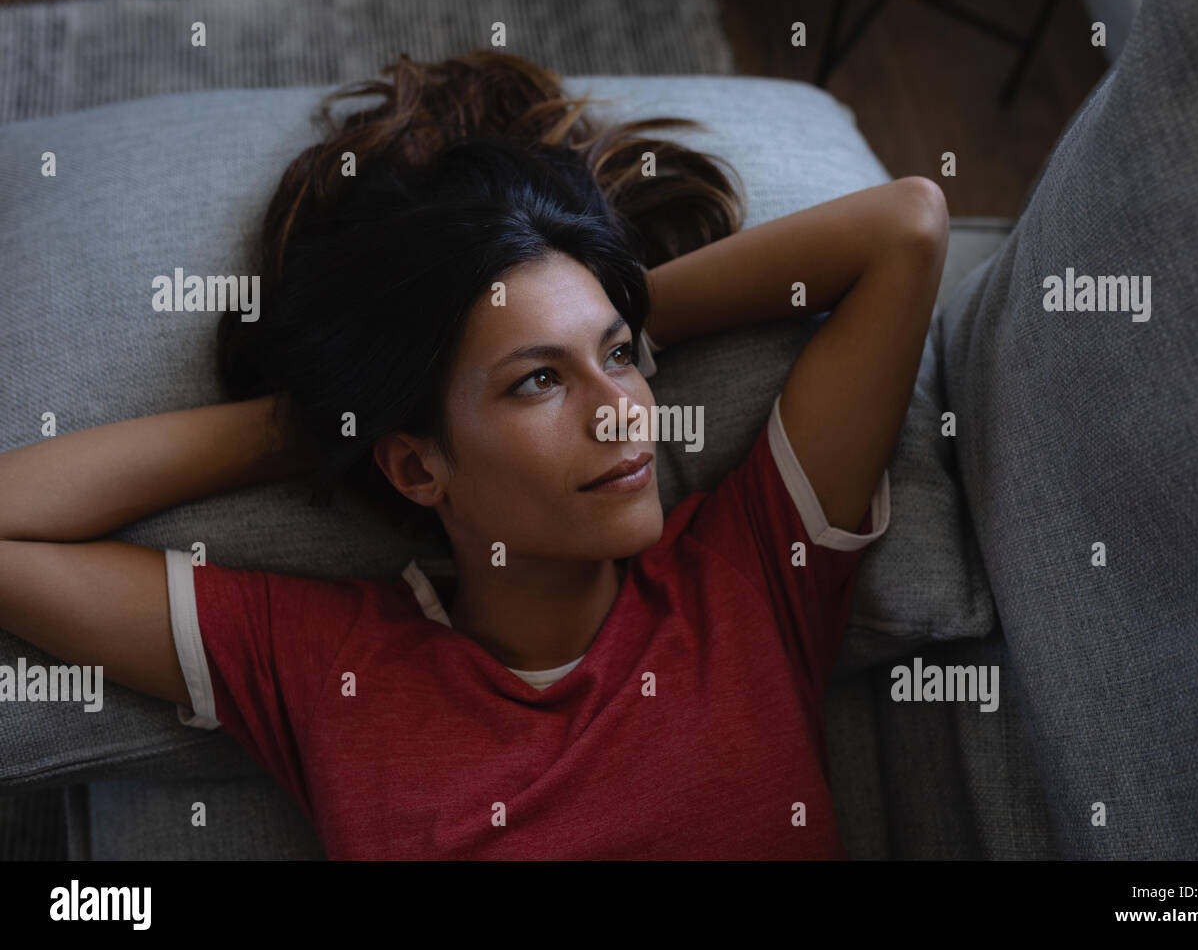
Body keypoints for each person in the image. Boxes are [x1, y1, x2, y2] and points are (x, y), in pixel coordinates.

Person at [0, 50, 947, 858]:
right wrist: (330, 419)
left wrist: (604, 305)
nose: (621, 413)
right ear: (416, 468)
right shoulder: (325, 666)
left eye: (623, 358)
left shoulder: (751, 570)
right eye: (538, 383)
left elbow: (904, 228)